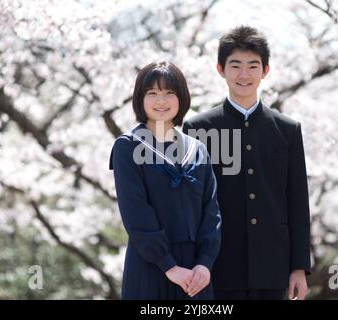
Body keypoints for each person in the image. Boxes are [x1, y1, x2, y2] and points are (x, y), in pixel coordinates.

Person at [183, 26, 311, 300]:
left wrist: (299, 267)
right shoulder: (198, 128)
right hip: (217, 266)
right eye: (235, 65)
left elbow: (298, 201)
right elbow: (192, 203)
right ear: (221, 69)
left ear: (265, 70)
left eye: (253, 66)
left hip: (273, 267)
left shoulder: (287, 129)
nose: (244, 75)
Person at [109, 61, 221, 300]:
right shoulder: (128, 146)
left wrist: (205, 263)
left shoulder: (197, 149)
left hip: (195, 274)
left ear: (182, 98)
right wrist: (168, 265)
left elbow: (211, 210)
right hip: (151, 265)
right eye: (153, 93)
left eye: (169, 93)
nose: (162, 100)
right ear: (140, 99)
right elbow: (136, 211)